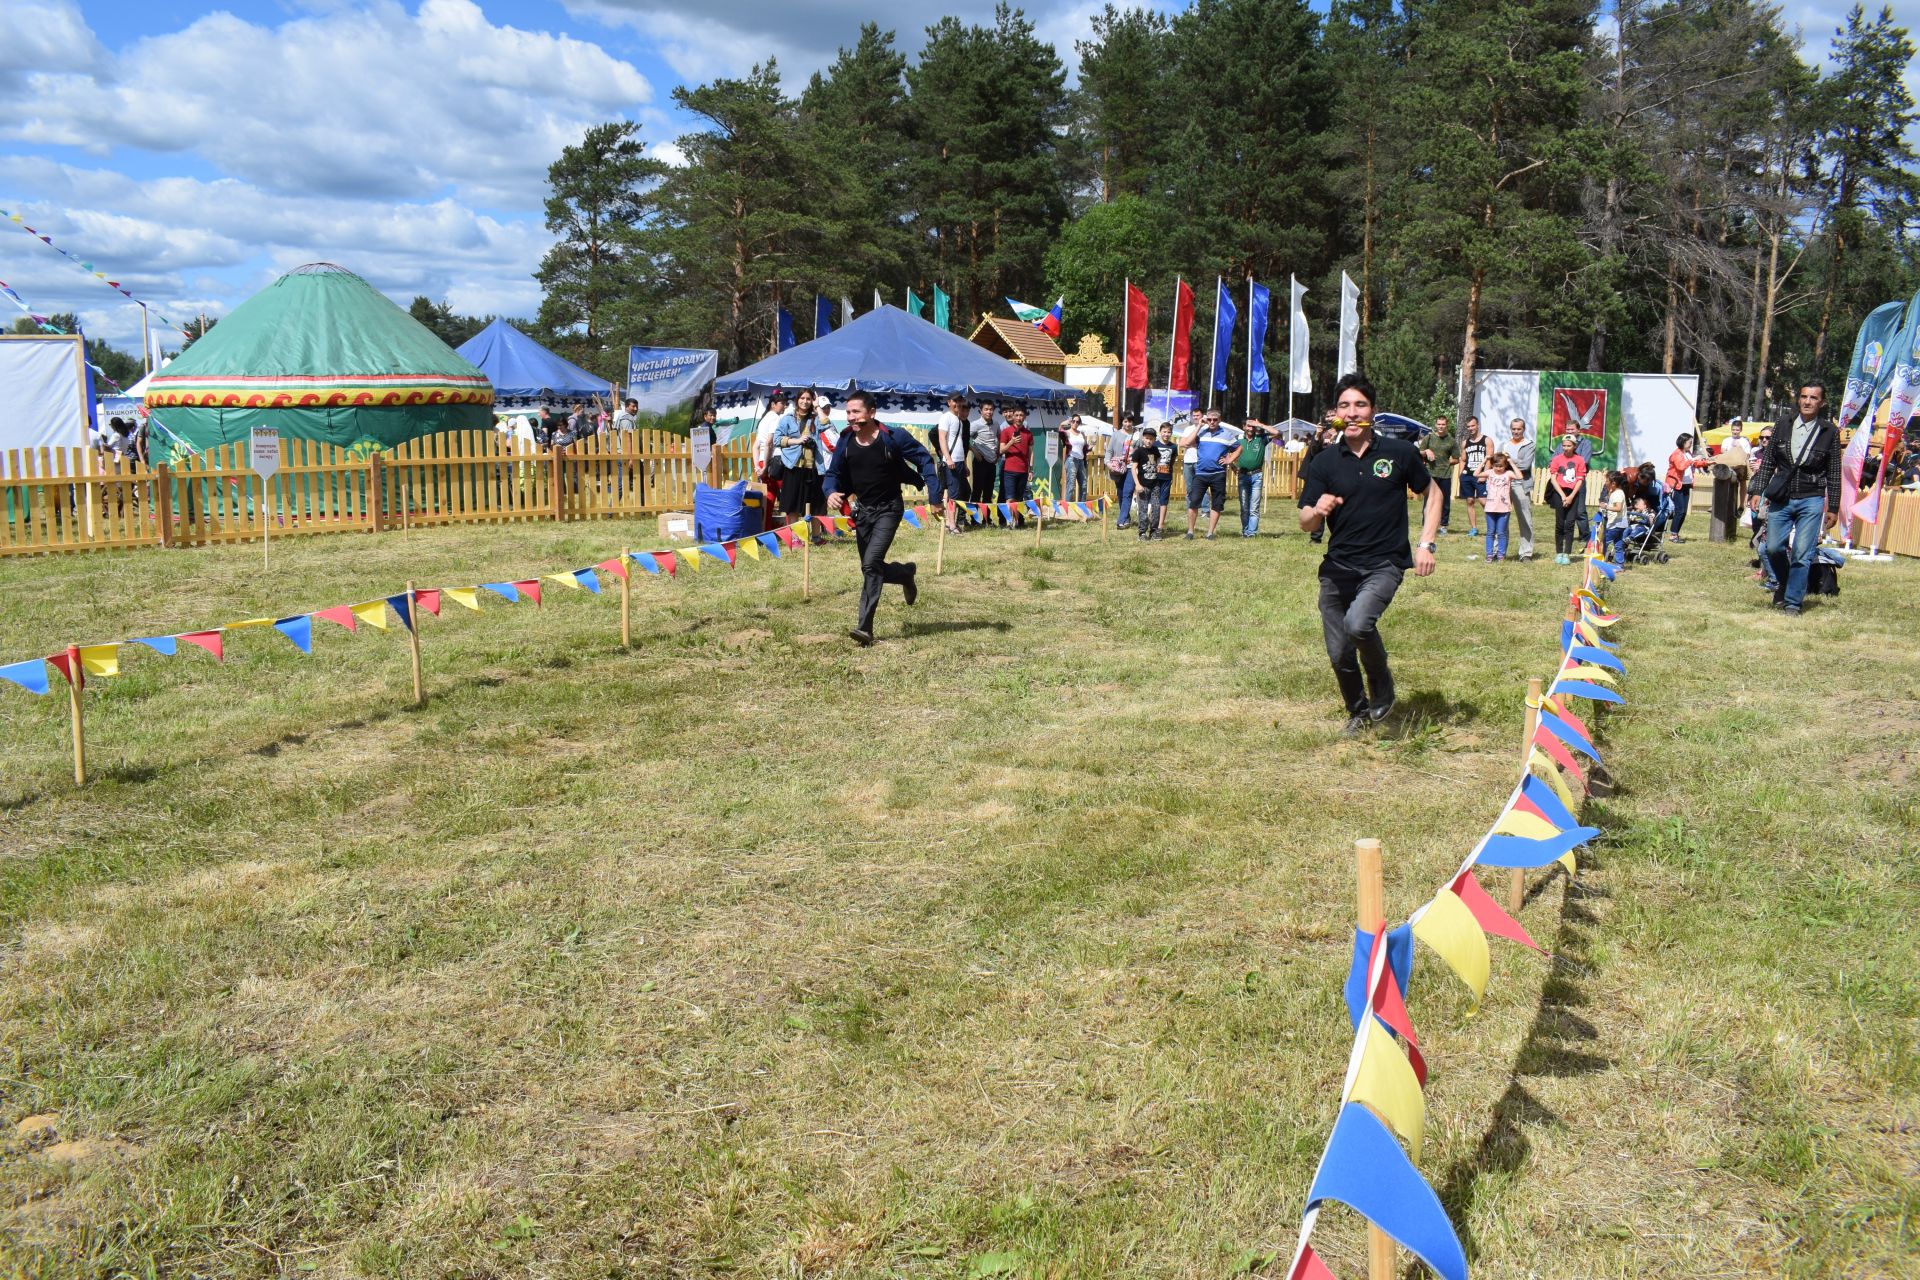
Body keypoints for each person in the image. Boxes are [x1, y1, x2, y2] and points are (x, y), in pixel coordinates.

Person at [1296, 373, 1442, 735]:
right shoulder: (1325, 462)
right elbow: (1305, 521)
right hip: (1337, 568)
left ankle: (1381, 682)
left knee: (1359, 624)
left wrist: (1425, 544)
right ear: (1335, 414)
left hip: (1384, 563)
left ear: (1372, 412)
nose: (1353, 411)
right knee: (1338, 653)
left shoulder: (1399, 453)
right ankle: (1359, 712)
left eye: (1360, 404)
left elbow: (1434, 494)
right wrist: (1318, 511)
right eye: (1345, 405)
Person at [824, 389, 935, 646]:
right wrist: (831, 492)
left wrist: (934, 494)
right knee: (870, 567)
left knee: (871, 562)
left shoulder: (893, 438)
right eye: (848, 412)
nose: (851, 417)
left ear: (871, 413)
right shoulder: (845, 441)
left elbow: (924, 460)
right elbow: (833, 474)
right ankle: (905, 574)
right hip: (862, 511)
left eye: (856, 412)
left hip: (889, 509)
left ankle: (865, 629)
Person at [1751, 381, 1840, 615]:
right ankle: (1787, 582)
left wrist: (1834, 506)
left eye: (1813, 398)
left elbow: (1834, 472)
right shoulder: (1783, 423)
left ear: (1822, 402)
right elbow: (1769, 461)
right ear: (1798, 399)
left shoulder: (1829, 431)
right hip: (1782, 496)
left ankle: (1792, 602)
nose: (1807, 401)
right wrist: (1757, 491)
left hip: (1812, 498)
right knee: (1772, 548)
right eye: (1803, 397)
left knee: (1802, 552)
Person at [1181, 410, 1243, 539]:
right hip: (1200, 473)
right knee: (1193, 502)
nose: (1212, 422)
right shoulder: (1201, 432)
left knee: (1217, 504)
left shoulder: (1227, 434)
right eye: (1209, 419)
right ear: (1206, 420)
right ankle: (1190, 532)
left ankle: (1210, 533)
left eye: (1215, 420)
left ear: (1219, 420)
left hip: (1218, 474)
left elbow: (1239, 448)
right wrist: (1199, 426)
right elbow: (1187, 442)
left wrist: (1229, 460)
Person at [773, 390, 826, 521]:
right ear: (797, 400)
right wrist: (796, 441)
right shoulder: (787, 419)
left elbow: (827, 423)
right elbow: (776, 440)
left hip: (813, 466)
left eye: (808, 399)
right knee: (793, 504)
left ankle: (816, 536)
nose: (805, 401)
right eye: (802, 398)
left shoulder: (815, 418)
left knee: (816, 504)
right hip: (793, 466)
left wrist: (817, 406)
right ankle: (795, 537)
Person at [1545, 434, 1588, 563]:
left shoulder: (1579, 460)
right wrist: (1563, 496)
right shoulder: (1557, 459)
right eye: (1564, 445)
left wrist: (1571, 496)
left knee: (1569, 524)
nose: (1566, 448)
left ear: (1574, 446)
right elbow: (1553, 478)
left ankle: (1567, 554)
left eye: (1569, 446)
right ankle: (1559, 552)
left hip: (1573, 493)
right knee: (1559, 523)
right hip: (1559, 492)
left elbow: (1580, 480)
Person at [1497, 417, 1535, 560]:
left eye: (1519, 429)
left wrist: (1507, 461)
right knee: (1500, 518)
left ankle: (1526, 553)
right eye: (1514, 429)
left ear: (1523, 429)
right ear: (1510, 429)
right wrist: (1506, 462)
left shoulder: (1529, 444)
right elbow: (1497, 464)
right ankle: (1498, 552)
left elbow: (1526, 465)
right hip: (1503, 485)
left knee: (1525, 518)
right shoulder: (1504, 445)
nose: (1516, 431)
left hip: (1521, 484)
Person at [1663, 432, 1712, 542]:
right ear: (1683, 442)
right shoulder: (1676, 454)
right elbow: (1681, 467)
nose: (1691, 444)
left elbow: (1695, 464)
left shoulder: (1688, 453)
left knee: (1684, 511)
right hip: (1677, 486)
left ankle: (1675, 534)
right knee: (1679, 510)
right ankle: (1673, 535)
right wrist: (1693, 460)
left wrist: (1707, 463)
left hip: (1686, 485)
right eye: (1689, 442)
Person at [937, 394, 971, 532]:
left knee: (963, 491)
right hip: (951, 462)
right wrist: (948, 458)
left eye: (960, 401)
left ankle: (952, 522)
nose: (957, 403)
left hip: (959, 461)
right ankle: (951, 525)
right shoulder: (946, 417)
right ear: (949, 402)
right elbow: (941, 438)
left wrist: (964, 464)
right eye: (955, 401)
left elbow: (960, 444)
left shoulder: (959, 419)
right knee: (953, 494)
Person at [1420, 415, 1458, 531]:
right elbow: (1419, 453)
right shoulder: (1429, 438)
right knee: (1429, 500)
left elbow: (1456, 458)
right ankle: (1426, 523)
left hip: (1445, 475)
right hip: (1430, 474)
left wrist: (1446, 463)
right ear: (1436, 425)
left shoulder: (1451, 441)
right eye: (1439, 424)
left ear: (1447, 425)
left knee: (1445, 501)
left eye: (1443, 424)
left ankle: (1443, 525)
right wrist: (1426, 451)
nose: (1441, 426)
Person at [998, 405, 1035, 525]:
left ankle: (1017, 521)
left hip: (1023, 470)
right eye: (1016, 415)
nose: (1019, 418)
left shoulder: (1028, 433)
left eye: (1021, 415)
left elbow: (1030, 452)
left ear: (1025, 417)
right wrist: (1012, 442)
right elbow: (1001, 450)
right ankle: (1009, 522)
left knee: (1019, 498)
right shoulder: (1006, 431)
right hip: (1009, 469)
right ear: (1012, 416)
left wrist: (1031, 469)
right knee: (1009, 497)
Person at [1130, 426, 1168, 538]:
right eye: (1147, 438)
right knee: (1143, 509)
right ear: (1143, 438)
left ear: (1154, 439)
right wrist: (1137, 484)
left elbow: (1158, 463)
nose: (1149, 440)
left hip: (1155, 485)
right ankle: (1142, 532)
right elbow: (1133, 469)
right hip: (1142, 485)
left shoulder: (1155, 450)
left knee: (1156, 508)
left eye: (1151, 438)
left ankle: (1154, 531)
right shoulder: (1138, 452)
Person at [1235, 419, 1270, 537]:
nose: (1251, 429)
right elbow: (1226, 452)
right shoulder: (1238, 439)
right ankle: (1245, 531)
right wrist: (1232, 466)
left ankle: (1252, 533)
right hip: (1243, 476)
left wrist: (1260, 424)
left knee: (1254, 507)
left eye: (1253, 426)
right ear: (1243, 426)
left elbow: (1277, 433)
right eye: (1248, 426)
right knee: (1244, 507)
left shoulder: (1262, 439)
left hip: (1257, 476)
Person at [1458, 416, 1490, 539]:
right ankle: (1474, 528)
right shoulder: (1465, 443)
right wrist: (1461, 474)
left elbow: (1490, 459)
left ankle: (1491, 528)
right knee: (1470, 501)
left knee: (1483, 501)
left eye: (1473, 425)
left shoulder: (1487, 440)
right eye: (1468, 426)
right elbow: (1463, 459)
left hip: (1480, 475)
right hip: (1468, 475)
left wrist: (1485, 474)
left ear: (1478, 425)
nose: (1471, 428)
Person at [1480, 452, 1516, 562]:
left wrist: (1510, 462)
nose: (1498, 468)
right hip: (1490, 508)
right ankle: (1489, 555)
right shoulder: (1490, 472)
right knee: (1490, 532)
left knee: (1501, 533)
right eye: (1496, 466)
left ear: (1505, 465)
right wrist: (1485, 460)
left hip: (1504, 508)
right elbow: (1475, 474)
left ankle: (1501, 555)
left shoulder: (1508, 473)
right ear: (1492, 465)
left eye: (1501, 466)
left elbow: (1520, 476)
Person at [969, 399, 1000, 510]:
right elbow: (964, 438)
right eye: (986, 409)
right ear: (980, 411)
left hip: (992, 462)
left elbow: (999, 439)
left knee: (988, 491)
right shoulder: (975, 425)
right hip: (980, 461)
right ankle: (974, 519)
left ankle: (986, 519)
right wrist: (975, 451)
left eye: (991, 409)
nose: (989, 412)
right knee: (977, 491)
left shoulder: (996, 424)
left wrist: (998, 454)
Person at [1107, 412, 1137, 528]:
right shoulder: (1116, 435)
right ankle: (1126, 517)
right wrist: (1108, 463)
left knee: (1127, 492)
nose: (1128, 424)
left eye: (1129, 421)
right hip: (1118, 468)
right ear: (1122, 422)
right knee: (1120, 494)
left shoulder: (1137, 434)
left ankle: (1121, 521)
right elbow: (1109, 451)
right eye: (1125, 421)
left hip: (1132, 467)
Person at [753, 391, 788, 483]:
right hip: (772, 461)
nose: (785, 406)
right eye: (782, 403)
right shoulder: (775, 418)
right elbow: (769, 442)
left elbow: (756, 446)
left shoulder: (763, 419)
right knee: (780, 492)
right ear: (773, 404)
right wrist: (765, 466)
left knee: (767, 493)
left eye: (786, 404)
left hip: (762, 460)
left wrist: (757, 465)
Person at [1600, 470, 1631, 565]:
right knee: (1618, 544)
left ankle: (1599, 563)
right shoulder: (1616, 492)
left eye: (1607, 481)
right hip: (1621, 523)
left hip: (1616, 524)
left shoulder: (1618, 494)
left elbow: (1618, 508)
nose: (1605, 483)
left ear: (1613, 483)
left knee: (1604, 542)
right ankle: (1620, 565)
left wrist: (1605, 507)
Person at [1061, 414, 1088, 501]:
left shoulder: (1082, 434)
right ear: (1071, 422)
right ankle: (1067, 508)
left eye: (1078, 422)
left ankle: (1082, 507)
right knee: (1071, 485)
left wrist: (1089, 448)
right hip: (1071, 459)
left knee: (1084, 485)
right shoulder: (1067, 432)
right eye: (1074, 421)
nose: (1075, 423)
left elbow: (1085, 447)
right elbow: (1060, 430)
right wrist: (1064, 423)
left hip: (1081, 460)